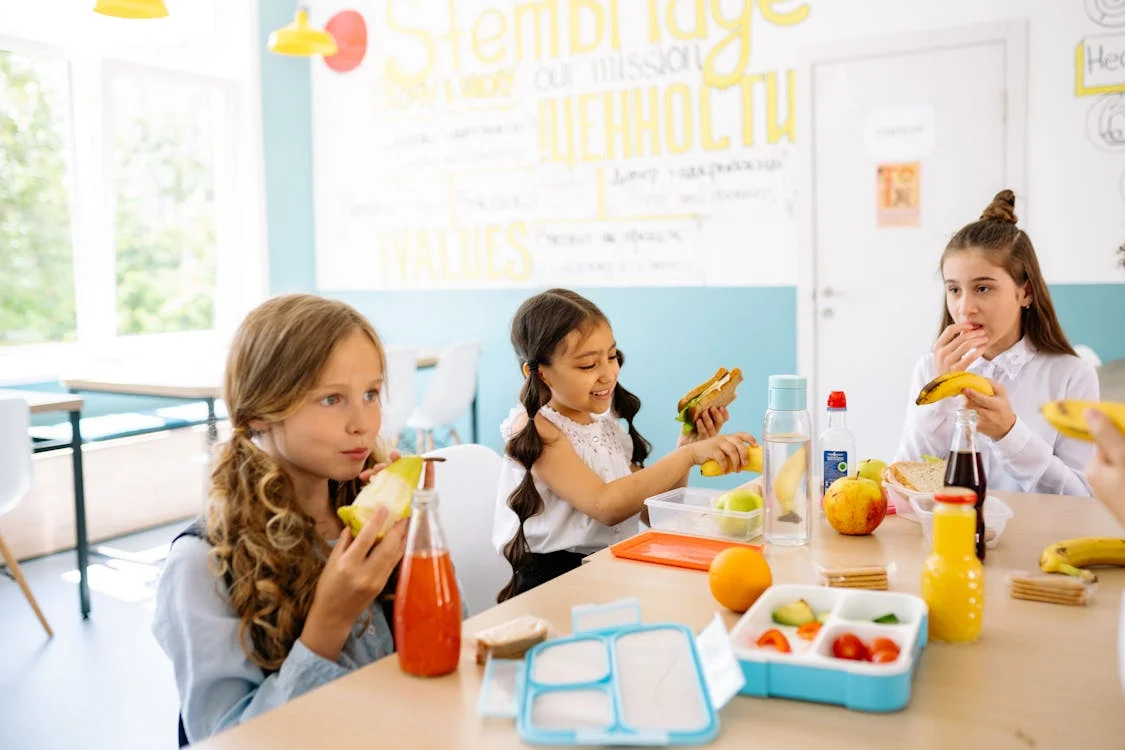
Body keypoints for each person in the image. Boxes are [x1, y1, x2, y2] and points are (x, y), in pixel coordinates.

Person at [153, 294, 433, 744]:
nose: (362, 423)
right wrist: (328, 623)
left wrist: (421, 543)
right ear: (260, 412)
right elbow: (226, 739)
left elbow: (432, 654)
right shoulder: (200, 564)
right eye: (331, 399)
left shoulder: (364, 512)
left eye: (371, 394)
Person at [491, 288, 756, 601]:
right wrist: (688, 456)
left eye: (612, 356)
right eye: (588, 365)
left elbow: (651, 513)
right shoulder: (536, 428)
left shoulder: (606, 427)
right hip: (554, 585)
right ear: (541, 373)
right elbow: (606, 505)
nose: (608, 374)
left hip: (606, 570)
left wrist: (687, 444)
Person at [895, 190, 1098, 495]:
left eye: (983, 289)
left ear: (1025, 293)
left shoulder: (1072, 376)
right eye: (954, 290)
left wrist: (1009, 433)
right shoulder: (929, 369)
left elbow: (1083, 498)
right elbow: (902, 486)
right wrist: (936, 405)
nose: (964, 308)